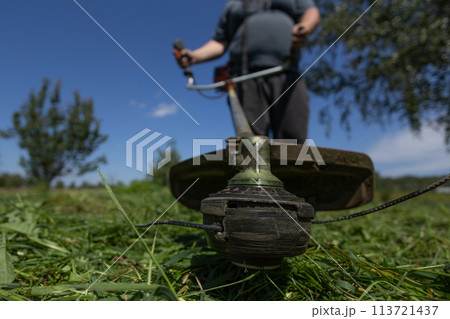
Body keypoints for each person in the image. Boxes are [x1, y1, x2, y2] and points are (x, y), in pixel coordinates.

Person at [175, 0, 320, 144]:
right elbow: (219, 42)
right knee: (252, 142)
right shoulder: (233, 5)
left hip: (287, 72)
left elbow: (310, 11)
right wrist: (195, 56)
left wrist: (305, 26)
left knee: (293, 141)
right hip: (244, 78)